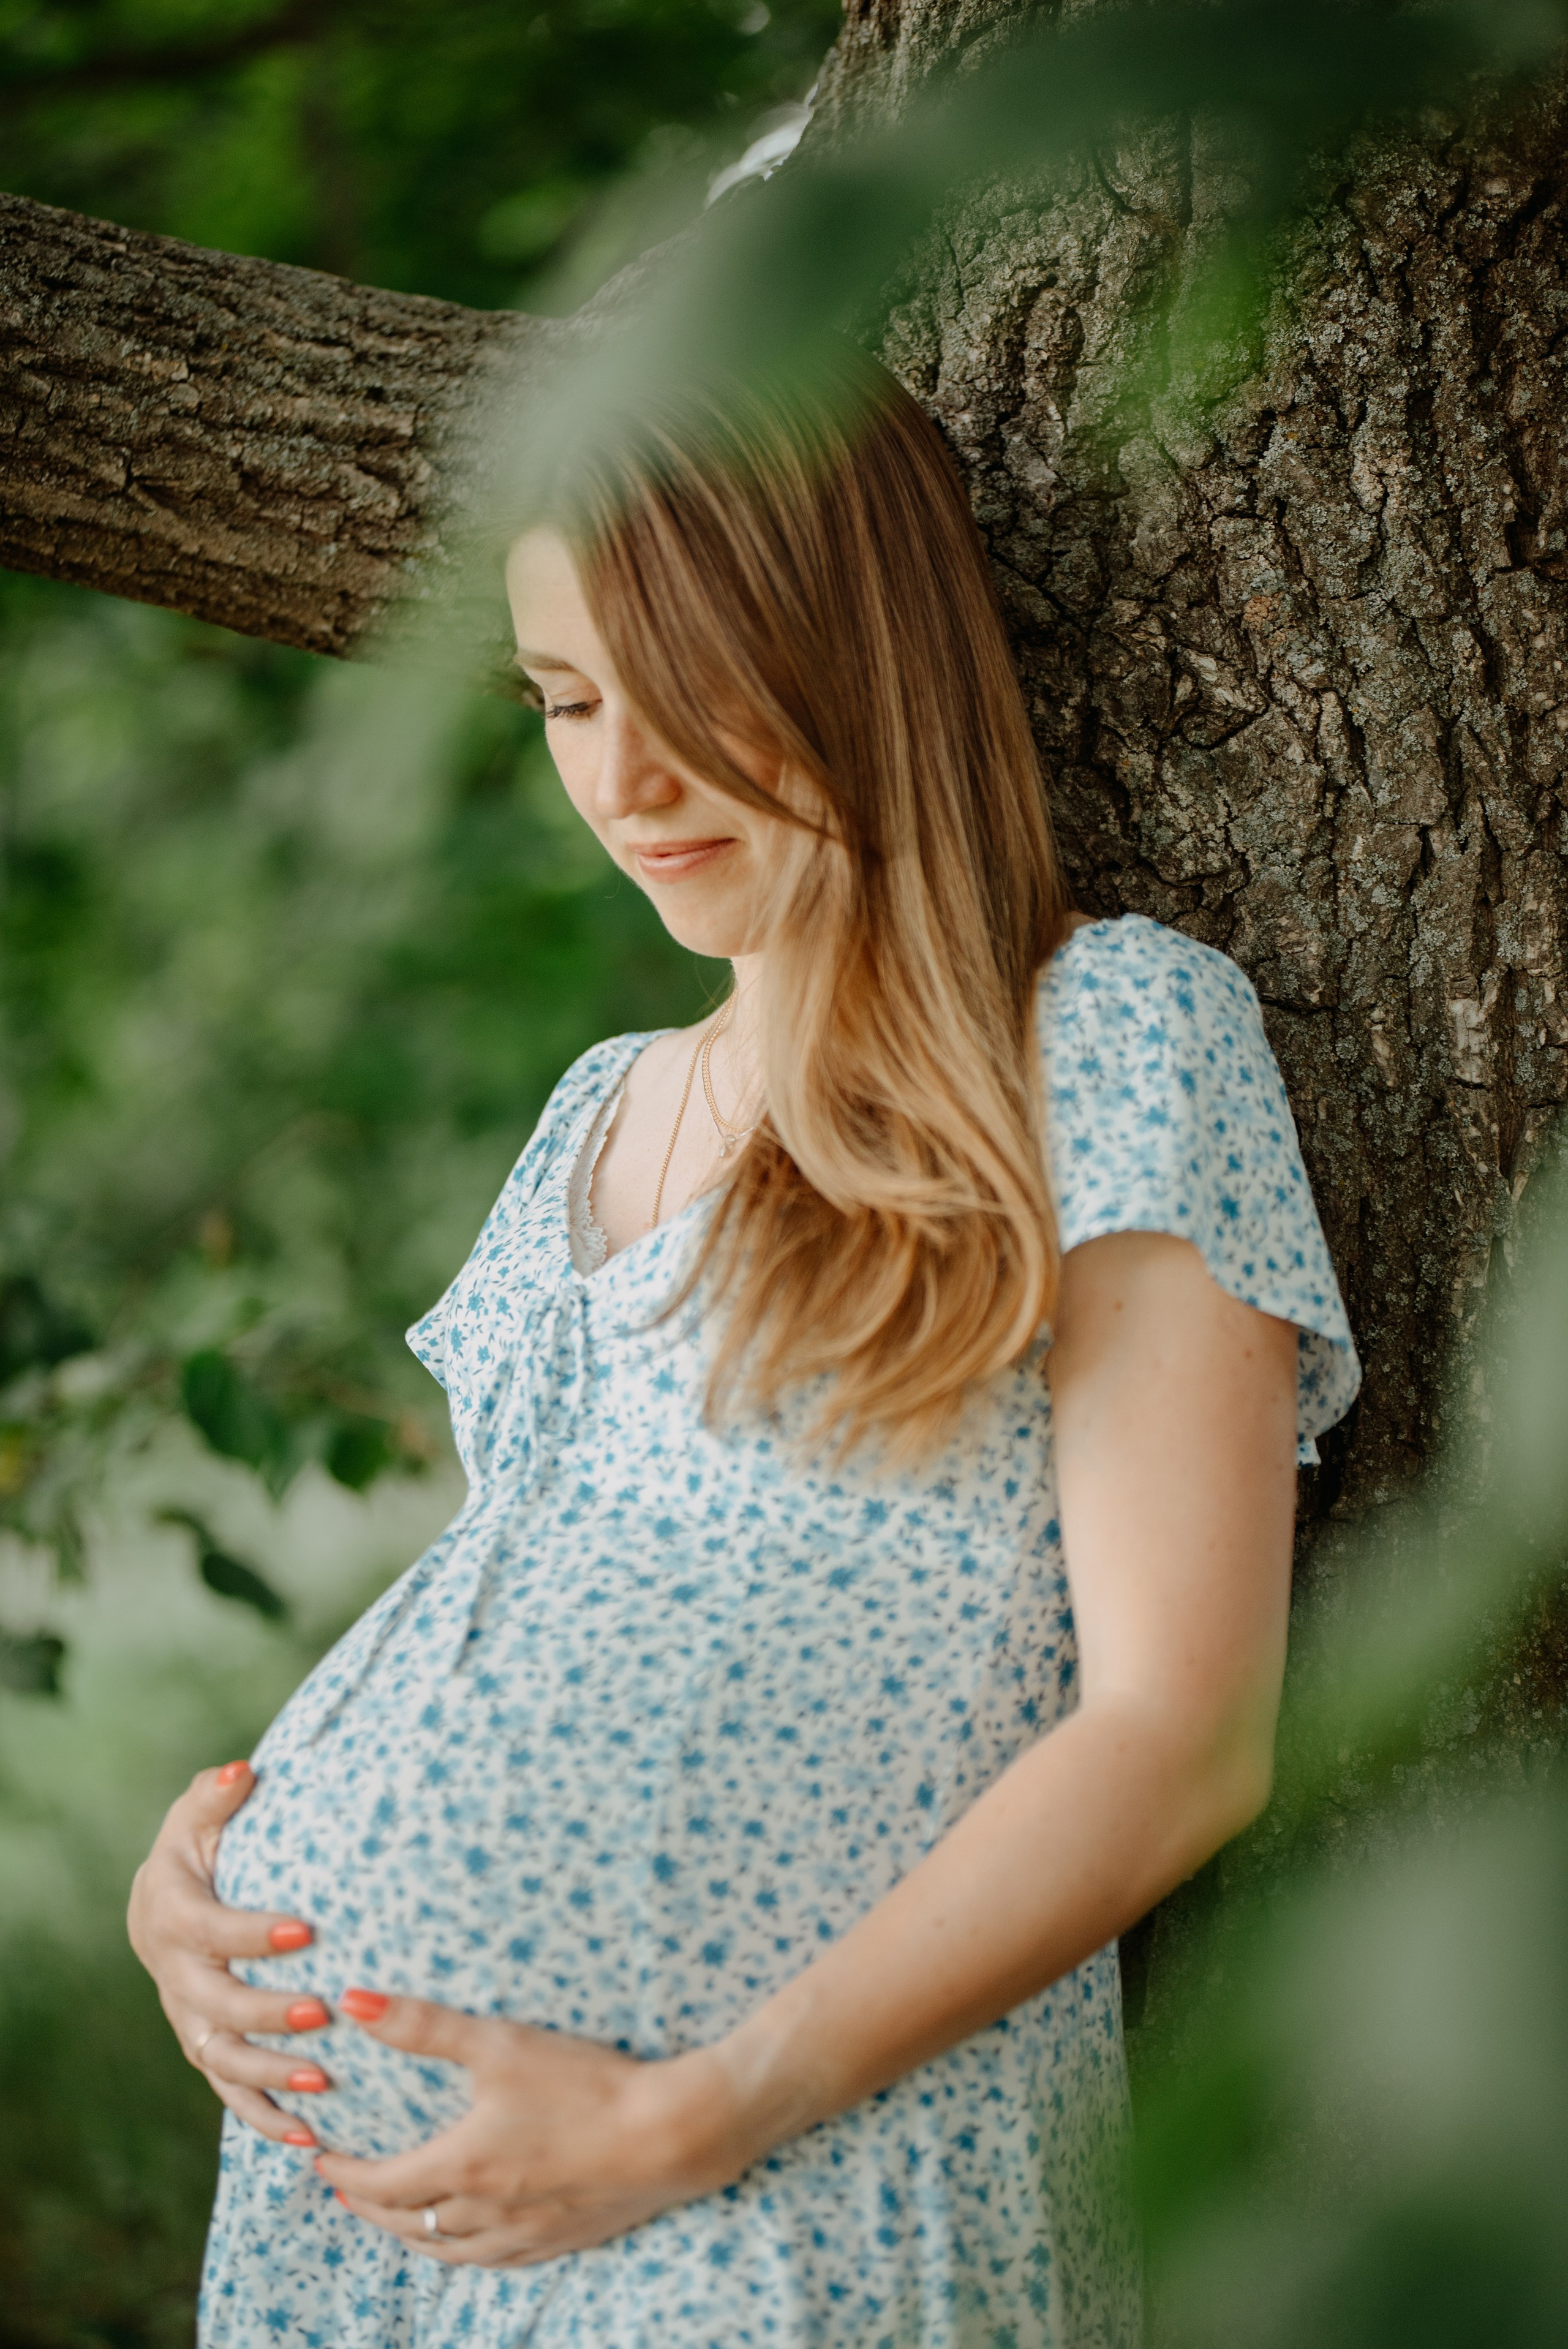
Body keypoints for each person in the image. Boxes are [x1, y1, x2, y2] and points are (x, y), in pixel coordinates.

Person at [128, 348, 1359, 2348]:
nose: (621, 781)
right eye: (567, 702)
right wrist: (201, 1885)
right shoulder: (596, 1114)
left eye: (682, 691)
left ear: (857, 656)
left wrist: (690, 2115)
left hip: (785, 2190)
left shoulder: (1107, 1042)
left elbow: (1180, 1738)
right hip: (375, 2230)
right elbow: (527, 1619)